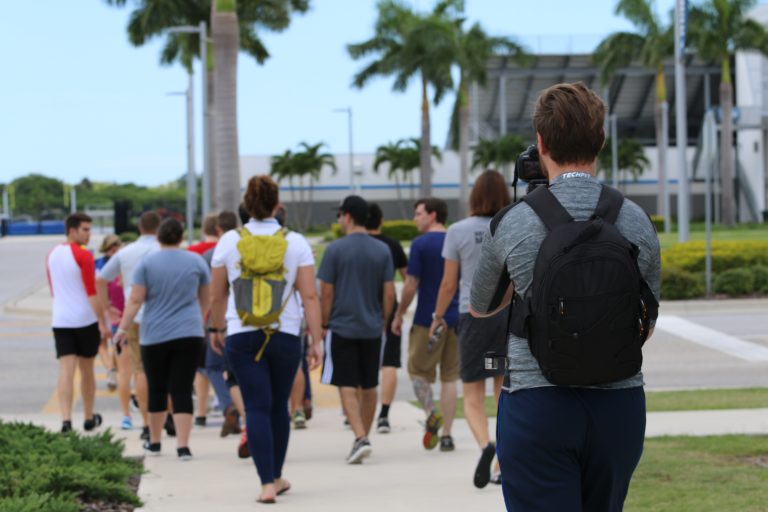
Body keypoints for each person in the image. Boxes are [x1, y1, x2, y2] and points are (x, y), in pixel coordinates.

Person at [470, 82, 661, 511]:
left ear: (540, 143)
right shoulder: (636, 220)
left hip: (538, 403)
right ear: (601, 139)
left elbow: (480, 306)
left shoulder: (514, 222)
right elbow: (645, 324)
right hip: (619, 405)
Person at [210, 175, 323, 503]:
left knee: (255, 407)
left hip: (242, 334)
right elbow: (310, 296)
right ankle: (276, 475)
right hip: (285, 334)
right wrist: (316, 340)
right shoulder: (296, 242)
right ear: (277, 205)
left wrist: (216, 329)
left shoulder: (229, 241)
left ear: (247, 205)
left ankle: (266, 485)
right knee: (278, 407)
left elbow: (217, 295)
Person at [429, 171, 510, 487]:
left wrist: (438, 315)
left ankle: (484, 445)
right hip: (506, 316)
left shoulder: (457, 230)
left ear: (474, 197)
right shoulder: (510, 226)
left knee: (473, 392)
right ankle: (501, 460)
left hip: (473, 317)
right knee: (502, 390)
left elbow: (449, 283)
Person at [114, 217, 210, 460]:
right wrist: (199, 319)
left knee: (157, 388)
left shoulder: (146, 264)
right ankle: (183, 446)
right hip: (189, 333)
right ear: (181, 237)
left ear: (159, 237)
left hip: (154, 334)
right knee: (182, 389)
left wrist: (122, 328)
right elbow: (206, 297)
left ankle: (155, 442)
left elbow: (135, 299)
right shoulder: (196, 261)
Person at [318, 195, 395, 465]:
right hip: (372, 328)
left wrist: (323, 323)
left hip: (342, 326)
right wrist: (383, 322)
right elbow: (389, 293)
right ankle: (364, 437)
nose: (339, 220)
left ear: (348, 216)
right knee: (370, 383)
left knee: (347, 384)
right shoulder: (381, 250)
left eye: (339, 215)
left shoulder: (335, 249)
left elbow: (326, 292)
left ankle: (360, 437)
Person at [392, 198, 459, 452]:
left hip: (427, 320)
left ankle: (431, 413)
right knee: (450, 377)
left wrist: (399, 313)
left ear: (432, 215)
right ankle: (447, 436)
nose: (415, 219)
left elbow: (411, 284)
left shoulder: (421, 244)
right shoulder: (456, 239)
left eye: (418, 214)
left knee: (417, 370)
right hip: (456, 318)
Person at [97, 211, 161, 440]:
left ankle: (145, 423)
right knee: (165, 370)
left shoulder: (126, 253)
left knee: (137, 371)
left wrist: (107, 308)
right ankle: (168, 417)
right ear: (159, 227)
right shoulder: (164, 250)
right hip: (163, 317)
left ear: (139, 228)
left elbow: (101, 279)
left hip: (132, 317)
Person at [47, 212, 110, 433]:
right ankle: (88, 416)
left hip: (61, 319)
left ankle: (66, 420)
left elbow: (53, 289)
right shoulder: (84, 255)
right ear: (72, 230)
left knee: (66, 369)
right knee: (87, 370)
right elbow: (92, 292)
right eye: (85, 229)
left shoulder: (52, 254)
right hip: (85, 319)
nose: (89, 234)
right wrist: (102, 321)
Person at [365, 202, 408, 434]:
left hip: (362, 307)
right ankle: (383, 415)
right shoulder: (392, 244)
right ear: (381, 221)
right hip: (389, 306)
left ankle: (358, 412)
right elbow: (407, 277)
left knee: (362, 361)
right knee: (389, 362)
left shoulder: (359, 244)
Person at [188, 213, 221, 427]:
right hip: (224, 316)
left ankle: (201, 412)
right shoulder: (229, 249)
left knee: (201, 368)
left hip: (199, 316)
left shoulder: (192, 252)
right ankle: (225, 402)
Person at [95, 234, 122, 393]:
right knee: (106, 342)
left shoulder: (98, 265)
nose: (114, 250)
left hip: (111, 307)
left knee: (111, 342)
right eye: (112, 247)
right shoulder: (119, 263)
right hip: (107, 306)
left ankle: (111, 369)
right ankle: (112, 369)